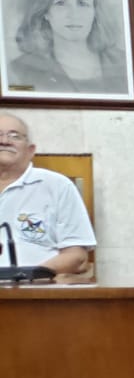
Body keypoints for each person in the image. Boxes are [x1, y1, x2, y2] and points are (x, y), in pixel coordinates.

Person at [0, 113, 94, 274]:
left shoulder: (57, 186)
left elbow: (76, 254)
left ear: (30, 150)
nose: (4, 141)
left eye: (14, 136)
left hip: (38, 285)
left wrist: (32, 275)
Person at [8, 0, 129, 94]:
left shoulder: (125, 63)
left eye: (82, 3)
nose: (74, 14)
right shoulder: (21, 70)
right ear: (45, 12)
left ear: (94, 12)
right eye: (60, 3)